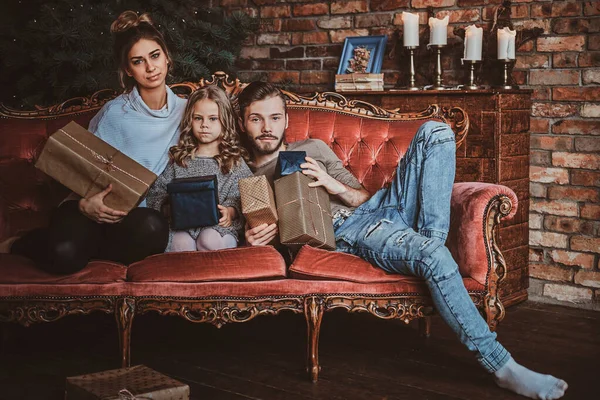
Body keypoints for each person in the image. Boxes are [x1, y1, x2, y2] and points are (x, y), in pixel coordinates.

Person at [238, 81, 568, 400]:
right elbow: (254, 237)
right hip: (350, 231)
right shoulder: (244, 177)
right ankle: (502, 365)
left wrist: (331, 183)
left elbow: (361, 197)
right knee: (433, 256)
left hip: (383, 206)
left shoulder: (312, 148)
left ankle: (429, 246)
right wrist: (256, 238)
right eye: (257, 118)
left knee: (436, 131)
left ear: (286, 120)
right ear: (243, 123)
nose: (267, 127)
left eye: (274, 117)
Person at [3, 11, 186, 273]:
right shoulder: (114, 113)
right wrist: (85, 205)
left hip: (131, 218)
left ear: (167, 56)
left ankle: (88, 250)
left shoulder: (187, 111)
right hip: (87, 207)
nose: (151, 67)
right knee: (64, 256)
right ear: (128, 69)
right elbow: (84, 171)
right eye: (138, 61)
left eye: (155, 56)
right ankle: (24, 243)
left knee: (154, 228)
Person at [146, 86, 252, 252]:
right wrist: (169, 207)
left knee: (208, 239)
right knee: (181, 244)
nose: (204, 125)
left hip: (219, 228)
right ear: (190, 120)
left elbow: (248, 194)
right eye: (198, 118)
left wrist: (231, 212)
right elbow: (156, 193)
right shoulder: (179, 160)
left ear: (225, 121)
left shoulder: (234, 161)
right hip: (182, 228)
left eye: (213, 119)